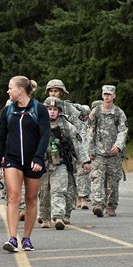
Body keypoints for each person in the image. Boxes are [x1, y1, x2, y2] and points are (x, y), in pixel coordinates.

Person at [0, 75, 50, 252]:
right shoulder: (8, 111)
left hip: (34, 160)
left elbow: (45, 135)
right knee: (13, 196)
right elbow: (1, 137)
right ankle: (12, 238)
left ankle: (26, 239)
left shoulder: (39, 109)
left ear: (20, 89)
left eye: (10, 88)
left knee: (31, 199)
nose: (8, 91)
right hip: (13, 159)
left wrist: (39, 157)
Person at [39, 97, 91, 230]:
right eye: (49, 109)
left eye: (55, 109)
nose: (52, 112)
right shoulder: (38, 124)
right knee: (44, 192)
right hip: (42, 164)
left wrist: (84, 161)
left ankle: (58, 217)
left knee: (59, 190)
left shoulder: (67, 126)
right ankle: (45, 218)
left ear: (60, 111)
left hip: (59, 163)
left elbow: (78, 144)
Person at [87, 85, 128, 217]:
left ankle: (111, 206)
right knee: (97, 179)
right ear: (102, 95)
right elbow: (90, 131)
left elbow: (123, 130)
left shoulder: (118, 113)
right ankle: (98, 205)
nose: (107, 97)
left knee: (113, 182)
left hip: (114, 154)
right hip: (99, 153)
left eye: (109, 94)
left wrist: (119, 145)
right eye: (105, 94)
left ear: (114, 96)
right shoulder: (96, 112)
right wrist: (90, 149)